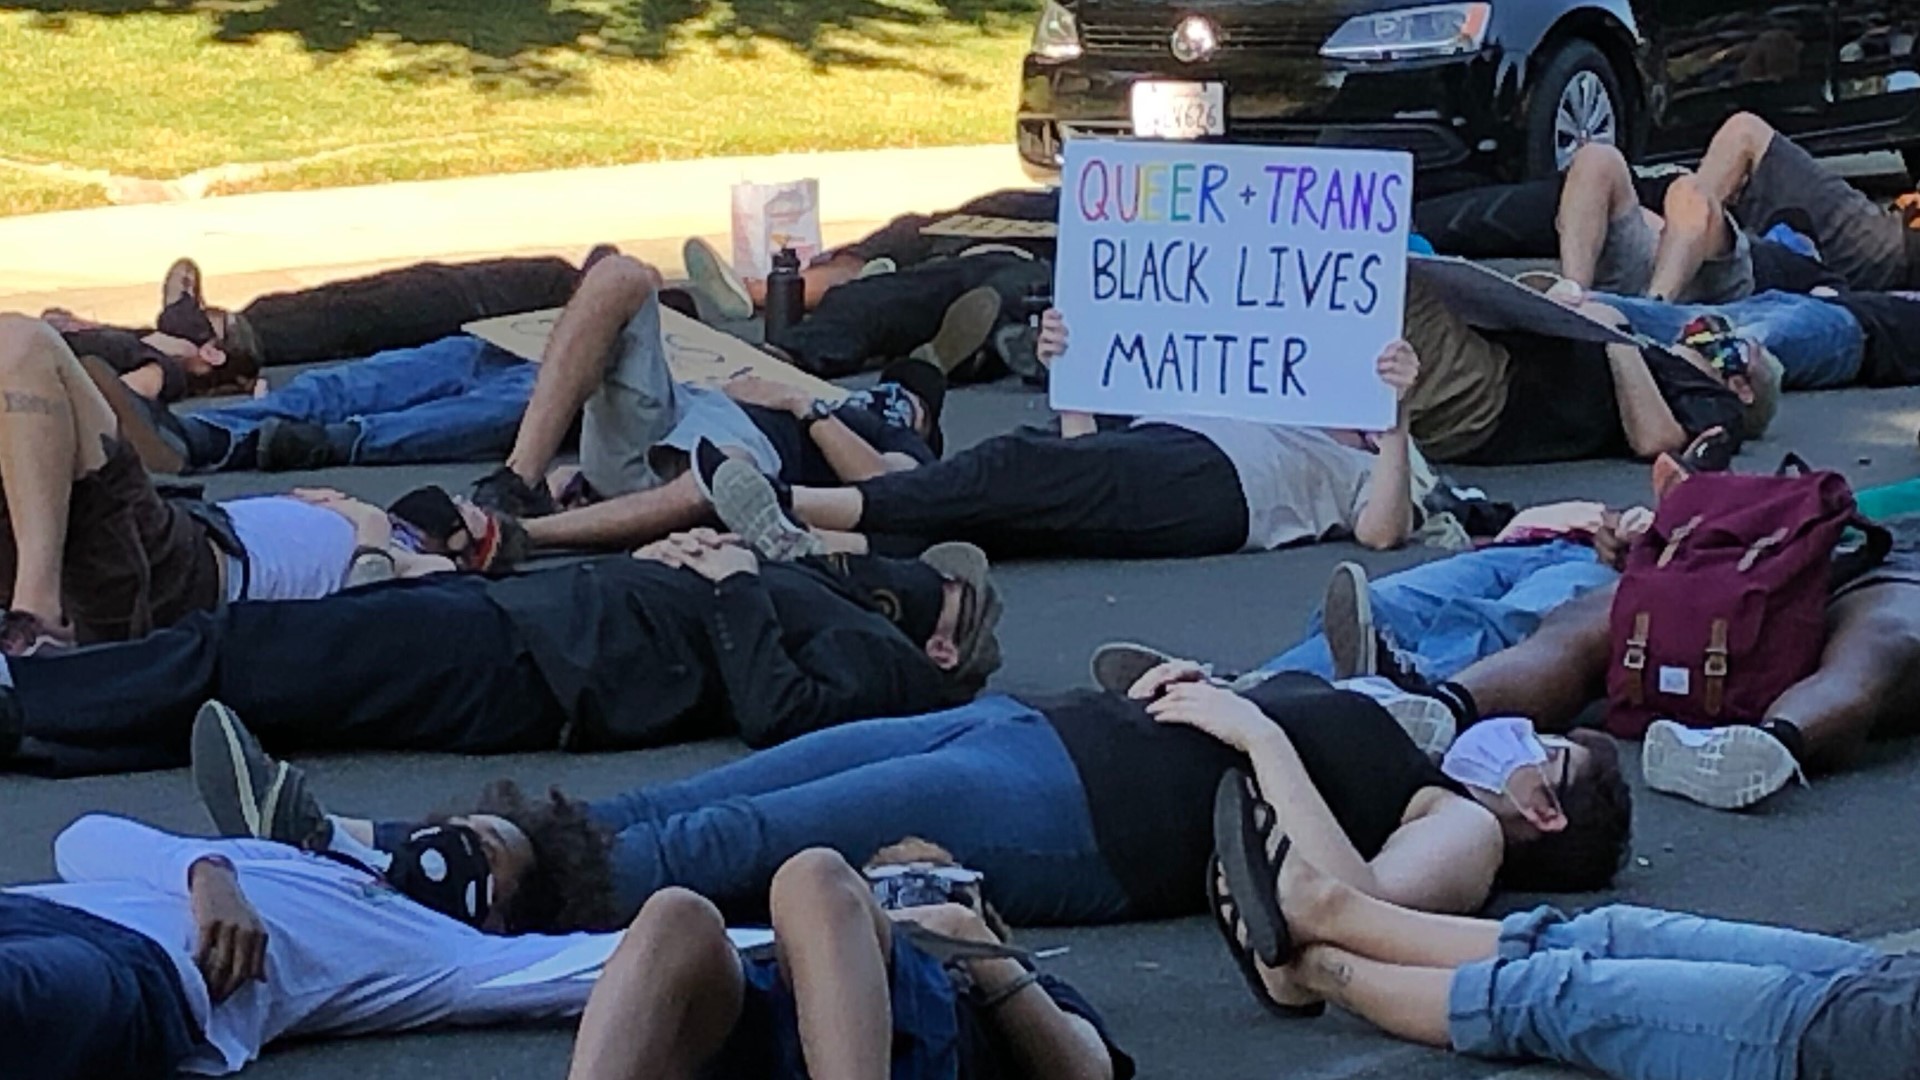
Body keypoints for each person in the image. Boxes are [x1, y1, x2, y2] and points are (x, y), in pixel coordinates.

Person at [190, 665, 1629, 944]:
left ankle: (405, 878)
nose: (1521, 748)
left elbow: (1359, 899)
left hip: (1074, 814)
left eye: (1543, 758)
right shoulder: (1448, 762)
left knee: (729, 845)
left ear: (1548, 816)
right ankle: (384, 847)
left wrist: (1253, 727)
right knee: (705, 792)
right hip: (1043, 735)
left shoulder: (1478, 830)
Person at [0, 530, 1002, 776]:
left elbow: (779, 715)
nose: (913, 568)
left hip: (541, 661)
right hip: (534, 622)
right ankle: (47, 726)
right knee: (271, 677)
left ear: (945, 637)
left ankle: (28, 706)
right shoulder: (837, 602)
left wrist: (733, 581)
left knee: (255, 653)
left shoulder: (893, 664)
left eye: (942, 583)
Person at [0, 808, 745, 1078]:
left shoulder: (449, 954)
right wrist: (205, 870)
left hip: (140, 975)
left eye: (487, 864)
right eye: (472, 833)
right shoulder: (305, 861)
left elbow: (635, 959)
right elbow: (83, 838)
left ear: (500, 920)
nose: (460, 850)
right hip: (40, 906)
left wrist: (828, 930)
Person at [1210, 809, 1916, 1080]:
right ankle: (1336, 912)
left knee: (1559, 997)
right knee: (1618, 934)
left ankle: (1315, 966)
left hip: (1855, 1051)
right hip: (1894, 987)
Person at [702, 308, 1430, 562]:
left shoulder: (1367, 448)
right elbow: (1087, 461)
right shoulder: (1248, 393)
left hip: (1219, 489)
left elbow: (1381, 533)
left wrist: (1393, 422)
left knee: (1012, 467)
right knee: (1001, 516)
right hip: (1166, 462)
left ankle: (789, 503)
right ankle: (805, 542)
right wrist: (1071, 374)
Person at [0, 315, 471, 657]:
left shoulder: (422, 565)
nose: (463, 500)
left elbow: (382, 609)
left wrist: (369, 526)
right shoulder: (346, 515)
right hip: (171, 533)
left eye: (472, 514)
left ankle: (36, 619)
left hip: (176, 571)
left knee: (22, 343)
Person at [466, 254, 958, 553]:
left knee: (731, 471)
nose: (890, 401)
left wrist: (804, 406)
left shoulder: (890, 438)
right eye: (890, 390)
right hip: (679, 413)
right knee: (620, 275)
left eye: (909, 403)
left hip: (747, 465)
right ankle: (515, 484)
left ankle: (527, 534)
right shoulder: (828, 392)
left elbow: (887, 488)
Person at [1393, 536, 1920, 811]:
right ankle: (1767, 743)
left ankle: (1447, 706)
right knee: (1611, 614)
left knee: (1883, 638)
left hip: (1805, 551)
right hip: (1814, 551)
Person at [567, 843, 1132, 1080]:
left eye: (939, 879)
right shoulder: (814, 933)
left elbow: (1090, 1071)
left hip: (925, 1040)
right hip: (775, 1022)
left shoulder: (999, 980)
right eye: (892, 882)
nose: (916, 893)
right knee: (676, 912)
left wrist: (978, 943)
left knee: (811, 872)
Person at [1399, 271, 1780, 465]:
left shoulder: (1718, 406)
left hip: (1490, 403)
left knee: (1400, 288)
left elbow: (1657, 442)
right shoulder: (1657, 354)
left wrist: (1613, 338)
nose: (1712, 332)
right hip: (1495, 359)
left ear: (1742, 388)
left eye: (1738, 345)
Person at [1692, 112, 1920, 292]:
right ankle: (1685, 239)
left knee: (1745, 132)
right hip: (1894, 237)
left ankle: (1680, 247)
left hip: (1892, 251)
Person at [1553, 141, 1755, 306]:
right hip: (1644, 243)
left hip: (1705, 270)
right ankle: (1572, 293)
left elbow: (1745, 129)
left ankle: (1655, 306)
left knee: (1691, 192)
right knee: (1596, 156)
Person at [1600, 287, 1920, 391]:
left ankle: (1666, 368)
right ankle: (1574, 300)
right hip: (1809, 302)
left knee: (1745, 343)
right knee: (1677, 316)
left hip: (1853, 335)